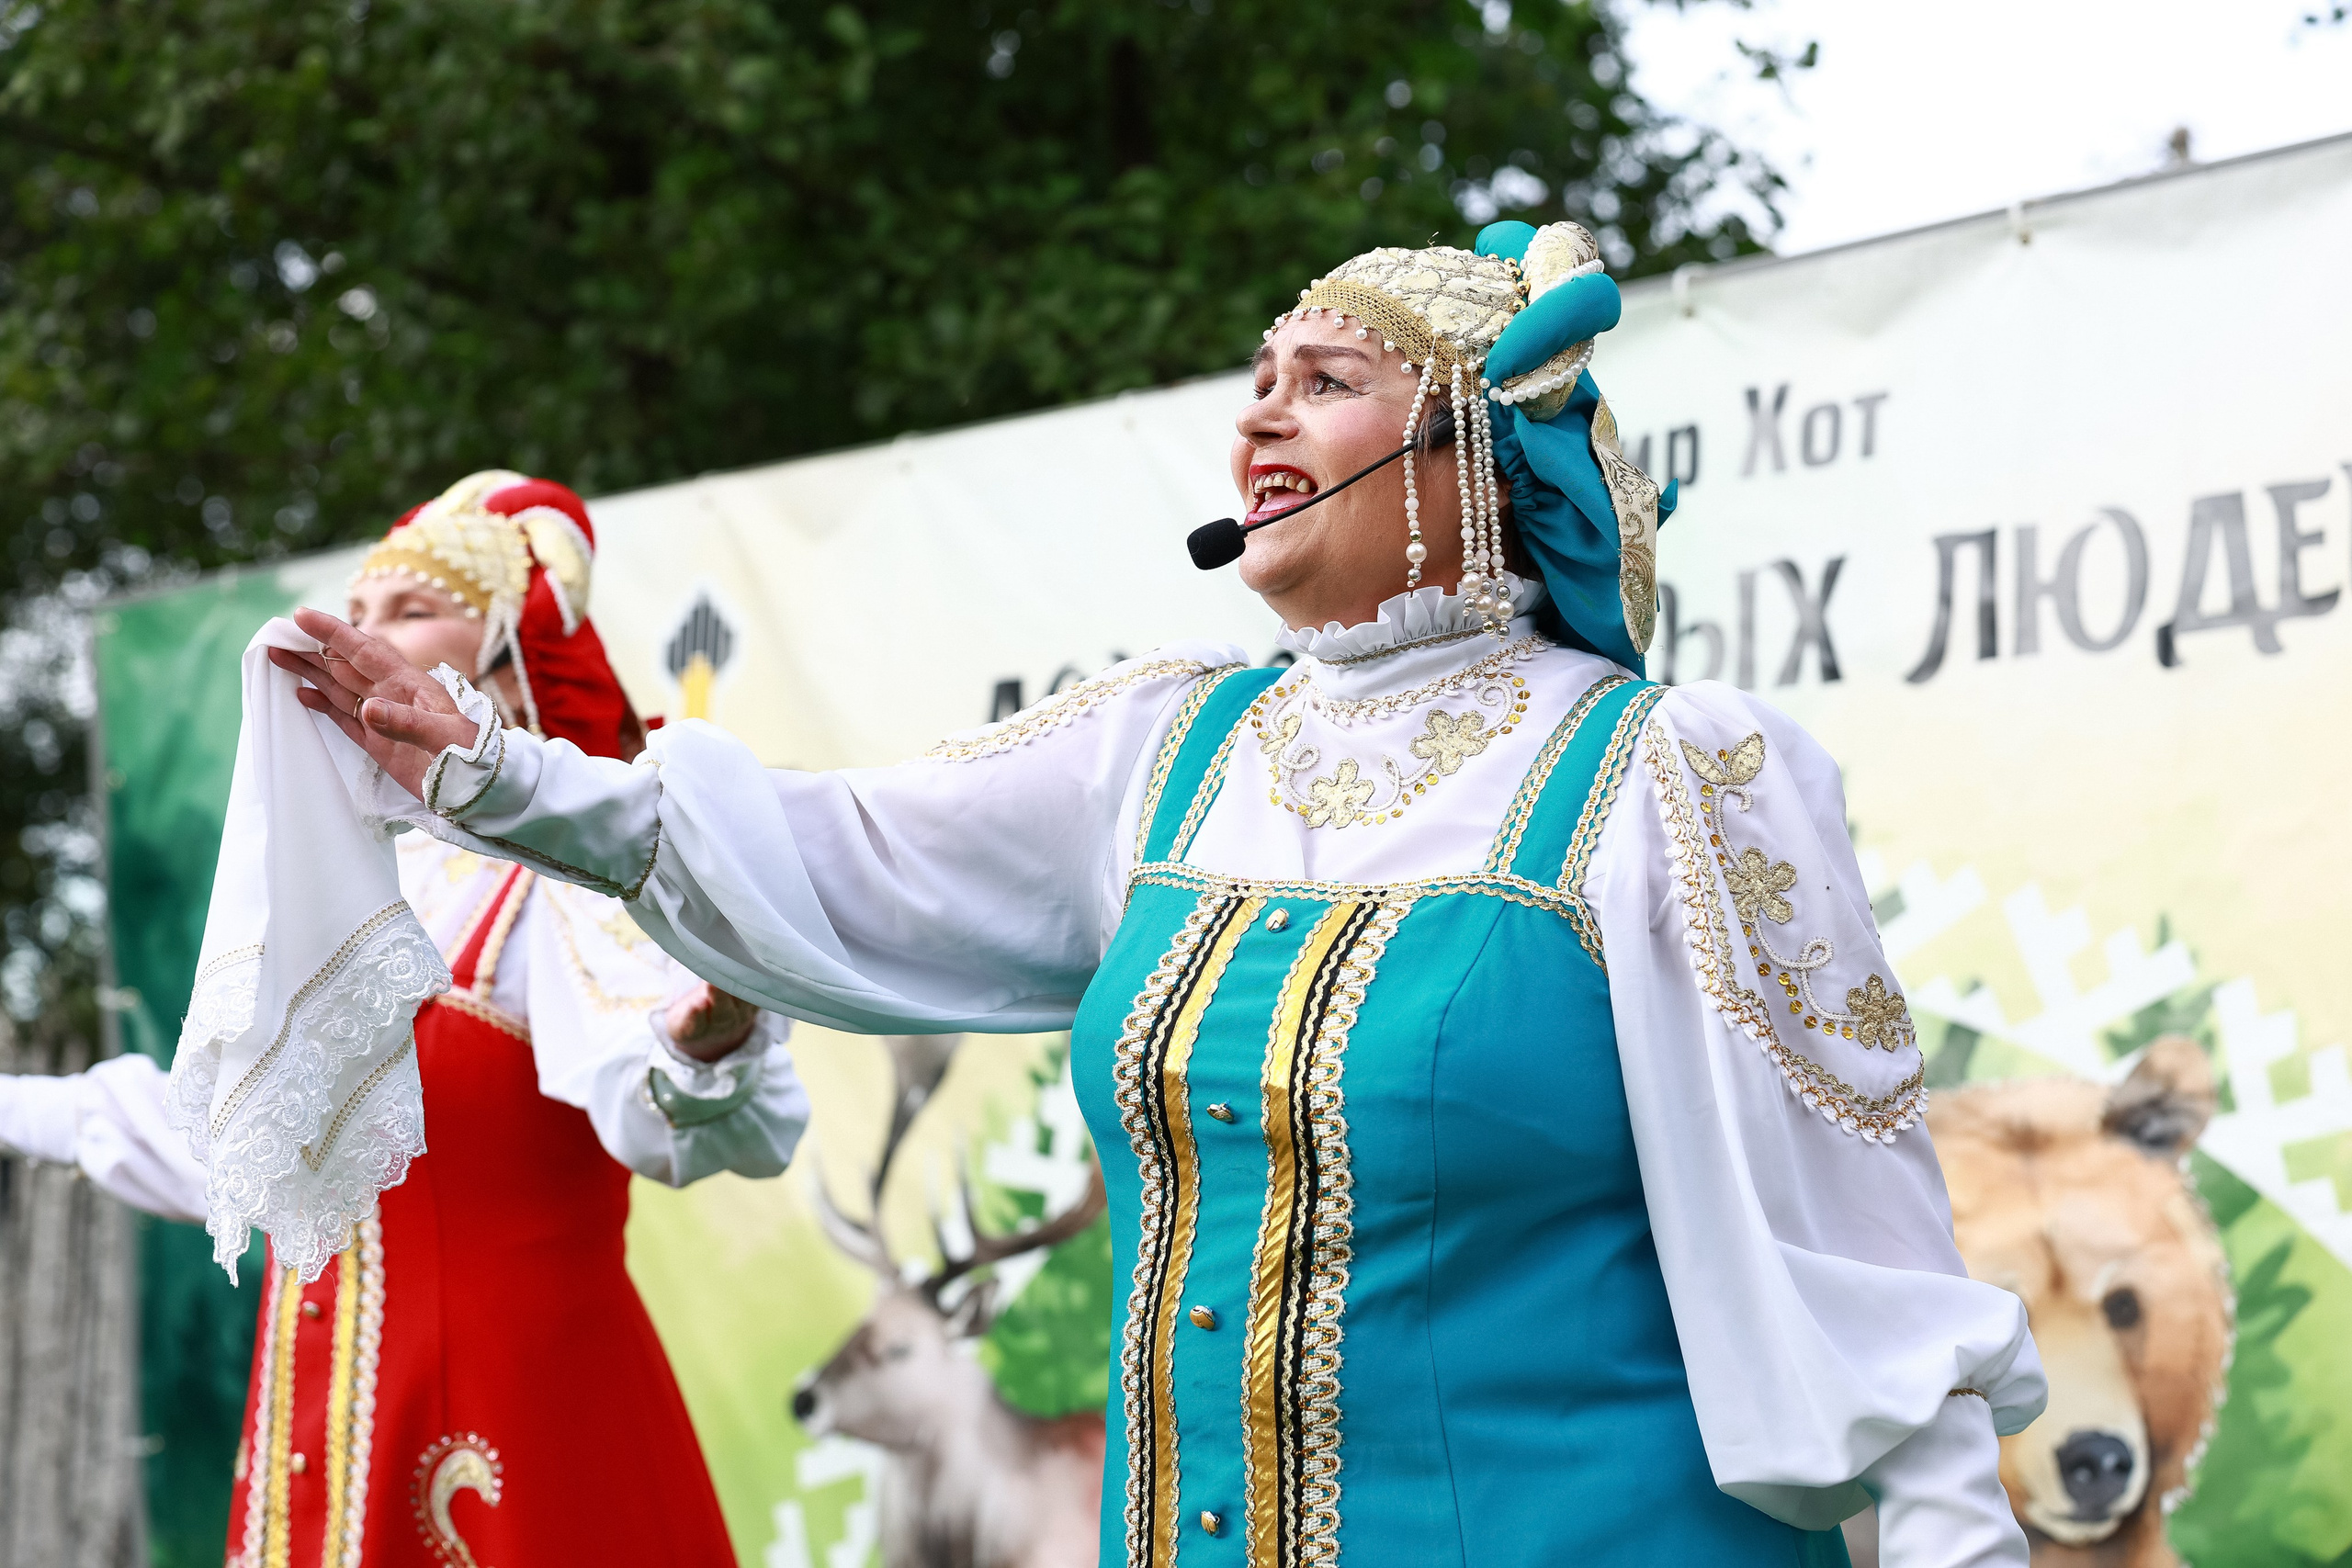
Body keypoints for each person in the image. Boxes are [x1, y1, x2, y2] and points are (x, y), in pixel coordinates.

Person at [280, 227, 2043, 1566]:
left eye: (1327, 375)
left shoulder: (1672, 776)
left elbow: (1872, 1291)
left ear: (1472, 443)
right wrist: (505, 776)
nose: (1264, 406)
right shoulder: (1169, 747)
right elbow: (838, 850)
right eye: (1258, 374)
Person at [0, 471, 810, 1568]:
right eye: (358, 607)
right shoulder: (338, 902)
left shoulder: (565, 878)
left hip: (515, 1420)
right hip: (322, 1435)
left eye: (412, 610)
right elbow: (213, 1151)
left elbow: (661, 1097)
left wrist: (701, 1042)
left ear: (504, 654)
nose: (359, 632)